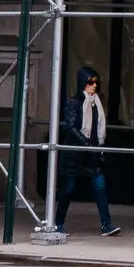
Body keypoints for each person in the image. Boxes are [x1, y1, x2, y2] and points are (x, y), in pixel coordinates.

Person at [56, 65, 118, 238]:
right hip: (74, 155)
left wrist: (97, 147)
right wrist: (85, 143)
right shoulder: (74, 102)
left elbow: (99, 128)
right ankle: (58, 223)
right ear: (82, 83)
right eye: (90, 82)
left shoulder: (97, 103)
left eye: (96, 82)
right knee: (67, 190)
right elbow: (70, 126)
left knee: (100, 188)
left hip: (92, 155)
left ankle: (106, 225)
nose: (94, 85)